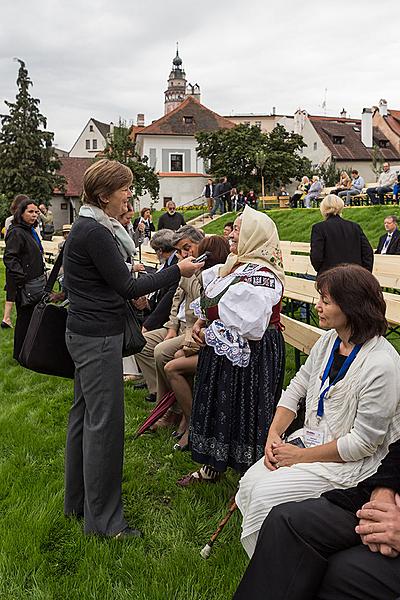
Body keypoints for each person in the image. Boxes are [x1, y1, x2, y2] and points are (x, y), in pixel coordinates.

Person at [62, 159, 202, 538]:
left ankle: (77, 504)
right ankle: (106, 524)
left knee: (83, 420)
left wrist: (133, 276)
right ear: (104, 194)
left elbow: (110, 280)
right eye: (124, 189)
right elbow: (127, 288)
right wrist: (178, 271)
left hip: (84, 333)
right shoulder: (94, 231)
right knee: (103, 427)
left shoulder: (91, 225)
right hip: (98, 339)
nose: (130, 194)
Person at [236, 264, 400, 558]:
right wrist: (274, 435)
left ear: (351, 306)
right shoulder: (329, 342)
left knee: (263, 495)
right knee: (249, 482)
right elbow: (297, 388)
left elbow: (364, 444)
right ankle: (270, 559)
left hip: (352, 465)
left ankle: (277, 567)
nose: (317, 306)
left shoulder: (381, 364)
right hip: (314, 442)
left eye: (326, 300)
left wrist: (297, 456)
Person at [178, 205, 286, 485]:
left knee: (244, 407)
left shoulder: (263, 274)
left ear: (254, 235)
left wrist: (211, 319)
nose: (232, 234)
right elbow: (213, 304)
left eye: (239, 229)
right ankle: (212, 465)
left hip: (254, 352)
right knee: (218, 401)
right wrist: (202, 322)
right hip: (226, 348)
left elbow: (248, 323)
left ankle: (249, 476)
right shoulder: (236, 264)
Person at [234, 439, 400, 600]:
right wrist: (383, 489)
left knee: (341, 572)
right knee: (287, 521)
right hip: (387, 499)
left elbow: (363, 440)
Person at [164, 235, 230, 451]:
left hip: (220, 348)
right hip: (204, 340)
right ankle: (185, 416)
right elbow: (200, 313)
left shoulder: (218, 278)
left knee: (172, 366)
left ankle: (193, 423)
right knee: (174, 357)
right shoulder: (209, 276)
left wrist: (199, 331)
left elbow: (217, 318)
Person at [135, 225, 205, 404]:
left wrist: (190, 273)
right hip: (178, 326)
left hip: (193, 330)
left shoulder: (205, 269)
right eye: (180, 251)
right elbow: (175, 301)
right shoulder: (186, 267)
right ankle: (159, 393)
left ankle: (170, 405)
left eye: (187, 248)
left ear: (200, 244)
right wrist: (172, 327)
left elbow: (201, 304)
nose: (184, 254)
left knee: (161, 352)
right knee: (140, 343)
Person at [3, 199, 45, 360]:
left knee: (33, 319)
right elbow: (10, 258)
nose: (34, 215)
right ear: (21, 213)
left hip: (35, 282)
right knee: (24, 320)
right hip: (26, 285)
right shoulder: (16, 232)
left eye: (36, 212)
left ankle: (29, 352)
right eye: (30, 212)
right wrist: (22, 278)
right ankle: (20, 354)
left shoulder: (28, 231)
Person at [310, 194, 373, 274]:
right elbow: (367, 252)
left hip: (330, 276)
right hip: (354, 276)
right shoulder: (354, 227)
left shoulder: (319, 228)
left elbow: (316, 256)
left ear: (323, 208)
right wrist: (364, 273)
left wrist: (322, 270)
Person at [1, 194, 30, 329]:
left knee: (11, 290)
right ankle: (8, 319)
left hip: (13, 260)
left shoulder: (8, 221)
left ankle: (6, 318)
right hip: (19, 260)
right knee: (17, 291)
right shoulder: (18, 225)